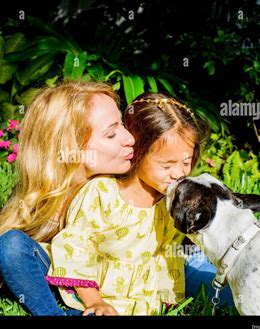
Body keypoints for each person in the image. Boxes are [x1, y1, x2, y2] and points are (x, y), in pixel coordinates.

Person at [0, 80, 136, 315]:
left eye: (122, 124)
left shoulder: (125, 188)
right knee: (11, 244)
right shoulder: (44, 199)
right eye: (111, 134)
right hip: (66, 284)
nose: (129, 137)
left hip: (110, 286)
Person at [47, 92, 235, 315]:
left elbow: (177, 253)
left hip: (157, 290)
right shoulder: (102, 194)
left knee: (239, 292)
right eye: (166, 166)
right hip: (104, 295)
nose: (179, 173)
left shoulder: (172, 202)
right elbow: (77, 248)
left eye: (186, 162)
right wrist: (94, 301)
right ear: (136, 152)